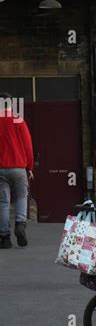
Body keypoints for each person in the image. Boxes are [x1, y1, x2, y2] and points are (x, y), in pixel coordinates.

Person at [0, 91, 34, 249]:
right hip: (19, 167)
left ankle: (4, 237)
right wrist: (30, 167)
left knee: (3, 202)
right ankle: (20, 226)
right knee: (21, 197)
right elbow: (28, 146)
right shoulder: (18, 120)